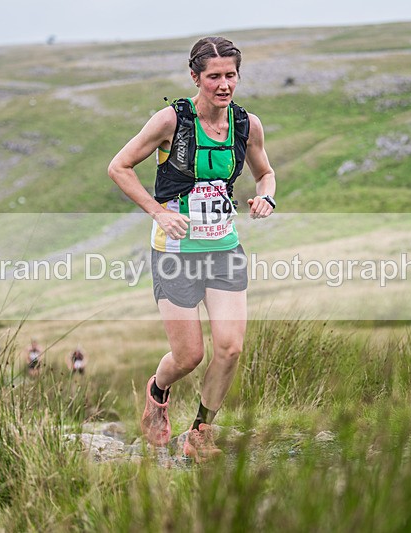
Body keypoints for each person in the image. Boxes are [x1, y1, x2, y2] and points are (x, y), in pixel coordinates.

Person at [107, 37, 276, 462]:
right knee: (188, 355)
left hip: (224, 248)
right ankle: (157, 392)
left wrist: (266, 196)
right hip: (176, 252)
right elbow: (119, 167)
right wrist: (158, 213)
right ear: (195, 77)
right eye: (214, 76)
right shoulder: (171, 121)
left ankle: (200, 432)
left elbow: (265, 172)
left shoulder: (246, 125)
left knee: (230, 348)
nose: (223, 84)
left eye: (230, 75)